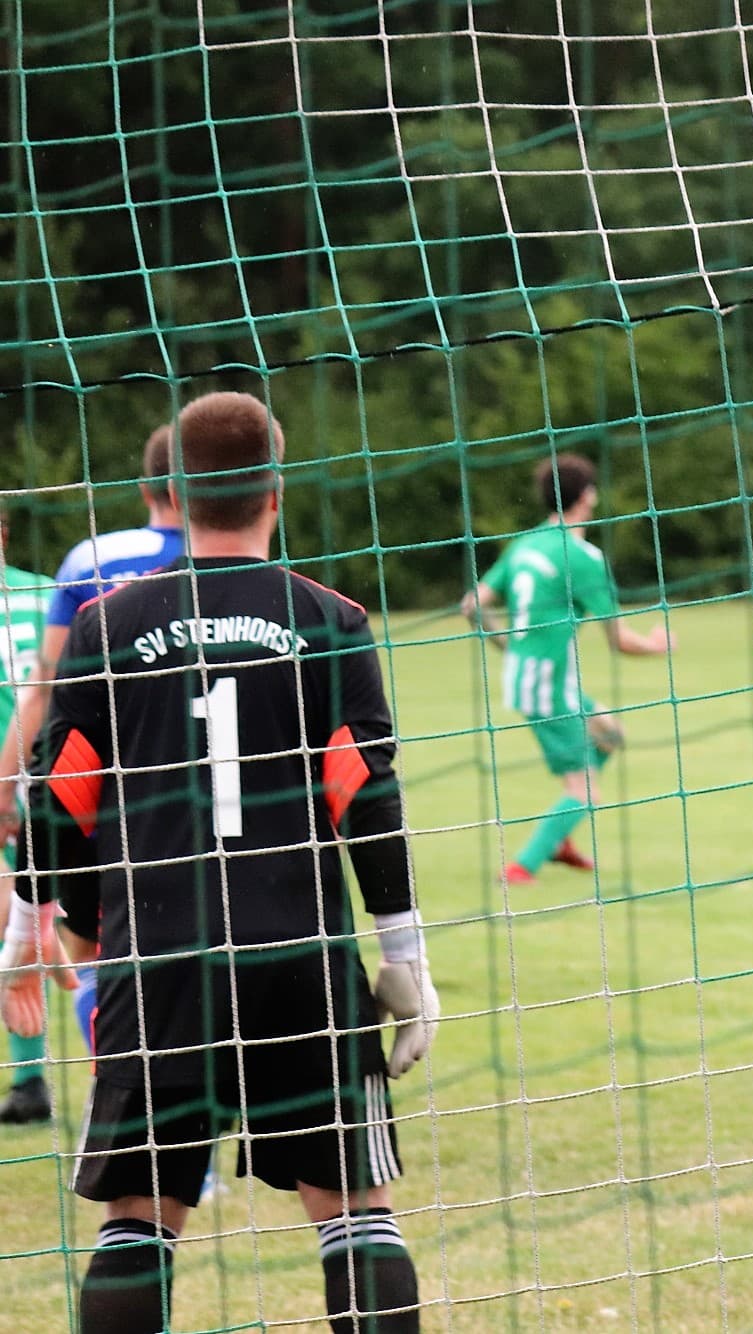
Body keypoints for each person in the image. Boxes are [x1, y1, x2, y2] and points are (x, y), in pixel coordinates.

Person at [7, 391, 439, 1333]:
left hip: (160, 962)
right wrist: (405, 954)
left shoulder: (110, 626)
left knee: (137, 1222)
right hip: (302, 957)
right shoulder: (328, 617)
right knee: (356, 1211)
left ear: (174, 489)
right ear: (274, 490)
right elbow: (365, 795)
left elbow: (58, 799)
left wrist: (27, 929)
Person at [462, 453, 671, 885]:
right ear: (588, 496)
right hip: (546, 687)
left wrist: (508, 645)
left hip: (540, 679)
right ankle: (523, 867)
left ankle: (561, 841)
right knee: (585, 790)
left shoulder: (527, 544)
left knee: (611, 736)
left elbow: (472, 606)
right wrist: (657, 646)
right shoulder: (582, 557)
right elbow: (620, 641)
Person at [0, 425, 183, 838]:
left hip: (109, 813)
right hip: (237, 816)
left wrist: (4, 791)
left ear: (145, 489)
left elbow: (43, 689)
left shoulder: (91, 562)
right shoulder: (258, 573)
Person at [0, 511, 65, 1125]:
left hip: (6, 789)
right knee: (78, 930)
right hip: (58, 781)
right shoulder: (49, 593)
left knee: (18, 927)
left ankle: (29, 1080)